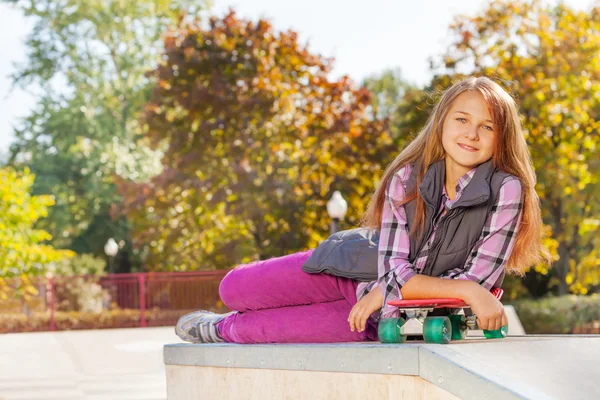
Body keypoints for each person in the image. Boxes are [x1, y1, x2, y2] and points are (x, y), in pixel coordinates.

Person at [175, 76, 550, 344]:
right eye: (462, 119)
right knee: (234, 288)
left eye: (487, 126)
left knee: (266, 330)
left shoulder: (507, 190)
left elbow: (476, 284)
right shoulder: (407, 179)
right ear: (441, 124)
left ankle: (219, 329)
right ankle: (226, 316)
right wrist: (442, 287)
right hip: (349, 266)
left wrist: (390, 293)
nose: (471, 133)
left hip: (379, 309)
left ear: (502, 137)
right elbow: (404, 271)